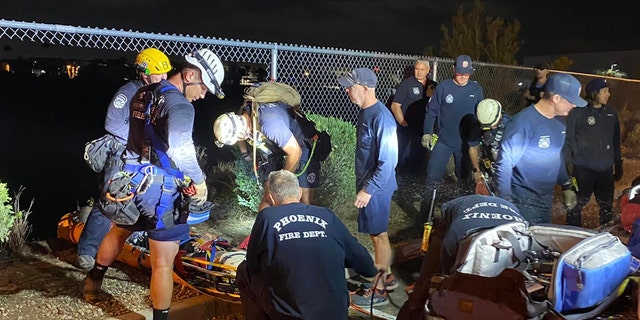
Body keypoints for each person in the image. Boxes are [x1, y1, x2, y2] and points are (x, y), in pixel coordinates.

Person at [82, 48, 225, 320]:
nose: (204, 94)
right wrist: (199, 180)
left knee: (119, 232)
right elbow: (181, 149)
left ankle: (93, 283)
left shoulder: (143, 93)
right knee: (162, 263)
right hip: (160, 193)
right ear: (190, 74)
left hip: (131, 181)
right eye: (204, 86)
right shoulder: (181, 106)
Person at [77, 47, 172, 271]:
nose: (165, 77)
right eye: (160, 73)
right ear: (144, 72)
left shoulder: (159, 93)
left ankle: (130, 242)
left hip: (145, 155)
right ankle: (86, 252)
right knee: (109, 201)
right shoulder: (129, 91)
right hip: (121, 154)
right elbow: (112, 123)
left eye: (166, 73)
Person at [236, 169, 378, 320]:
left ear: (271, 198)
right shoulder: (327, 215)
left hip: (292, 316)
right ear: (299, 193)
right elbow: (368, 267)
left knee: (243, 272)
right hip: (336, 314)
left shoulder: (267, 217)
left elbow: (252, 265)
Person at [397, 194, 527, 320]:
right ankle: (413, 308)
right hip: (461, 215)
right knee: (428, 282)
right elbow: (444, 274)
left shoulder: (522, 238)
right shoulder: (454, 235)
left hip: (504, 218)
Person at [337, 68, 398, 307]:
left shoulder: (381, 117)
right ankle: (388, 277)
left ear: (365, 88)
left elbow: (389, 160)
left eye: (351, 87)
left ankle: (379, 290)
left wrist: (368, 189)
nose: (347, 91)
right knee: (378, 234)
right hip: (372, 184)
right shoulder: (366, 112)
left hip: (378, 187)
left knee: (378, 236)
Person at [212, 83, 321, 211]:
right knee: (269, 195)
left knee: (304, 199)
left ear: (241, 132)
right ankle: (267, 226)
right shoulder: (244, 113)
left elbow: (295, 152)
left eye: (238, 138)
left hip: (301, 144)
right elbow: (242, 139)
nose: (240, 140)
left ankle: (306, 224)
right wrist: (246, 154)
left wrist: (282, 181)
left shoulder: (270, 125)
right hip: (277, 145)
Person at [494, 73, 586, 224]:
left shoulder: (559, 123)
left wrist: (566, 185)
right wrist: (506, 201)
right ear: (556, 98)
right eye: (571, 101)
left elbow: (556, 156)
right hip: (522, 201)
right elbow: (505, 162)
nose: (574, 105)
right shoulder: (524, 122)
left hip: (545, 200)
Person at [563, 78, 622, 227]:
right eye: (605, 91)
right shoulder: (578, 113)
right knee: (575, 206)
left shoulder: (611, 112)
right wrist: (566, 164)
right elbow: (568, 140)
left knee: (606, 206)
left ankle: (606, 237)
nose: (608, 94)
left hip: (605, 170)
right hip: (583, 170)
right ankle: (573, 235)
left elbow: (616, 140)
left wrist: (618, 163)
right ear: (595, 94)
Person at [421, 55, 484, 191]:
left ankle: (461, 207)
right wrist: (427, 132)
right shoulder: (443, 87)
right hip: (443, 141)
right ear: (453, 69)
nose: (463, 77)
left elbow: (481, 115)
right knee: (432, 177)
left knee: (464, 179)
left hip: (465, 145)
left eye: (466, 74)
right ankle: (427, 210)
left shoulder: (476, 89)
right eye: (460, 73)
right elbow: (431, 112)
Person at [389, 60, 434, 173]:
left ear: (428, 70)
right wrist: (403, 123)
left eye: (422, 69)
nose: (418, 72)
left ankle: (415, 185)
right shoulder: (407, 84)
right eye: (416, 69)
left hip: (423, 129)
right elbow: (395, 106)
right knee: (404, 160)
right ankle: (401, 185)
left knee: (419, 160)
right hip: (408, 129)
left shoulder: (432, 86)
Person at [467, 98, 511, 195]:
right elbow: (473, 147)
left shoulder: (511, 126)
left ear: (499, 116)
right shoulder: (477, 124)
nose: (489, 129)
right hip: (488, 160)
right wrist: (477, 171)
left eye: (491, 126)